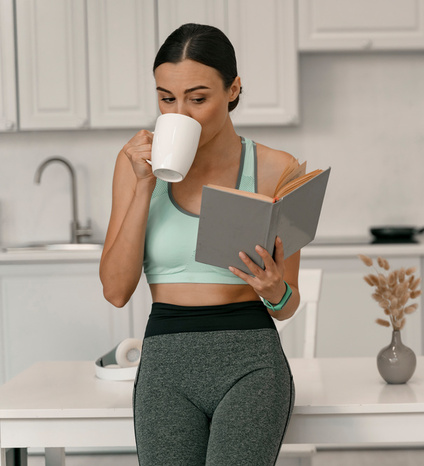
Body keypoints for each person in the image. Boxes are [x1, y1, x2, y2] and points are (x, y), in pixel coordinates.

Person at [99, 23, 299, 466]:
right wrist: (144, 186)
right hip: (166, 364)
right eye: (166, 98)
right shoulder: (133, 163)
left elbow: (287, 305)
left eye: (198, 97)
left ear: (233, 90)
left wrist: (274, 289)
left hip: (251, 363)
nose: (181, 114)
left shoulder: (275, 169)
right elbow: (115, 291)